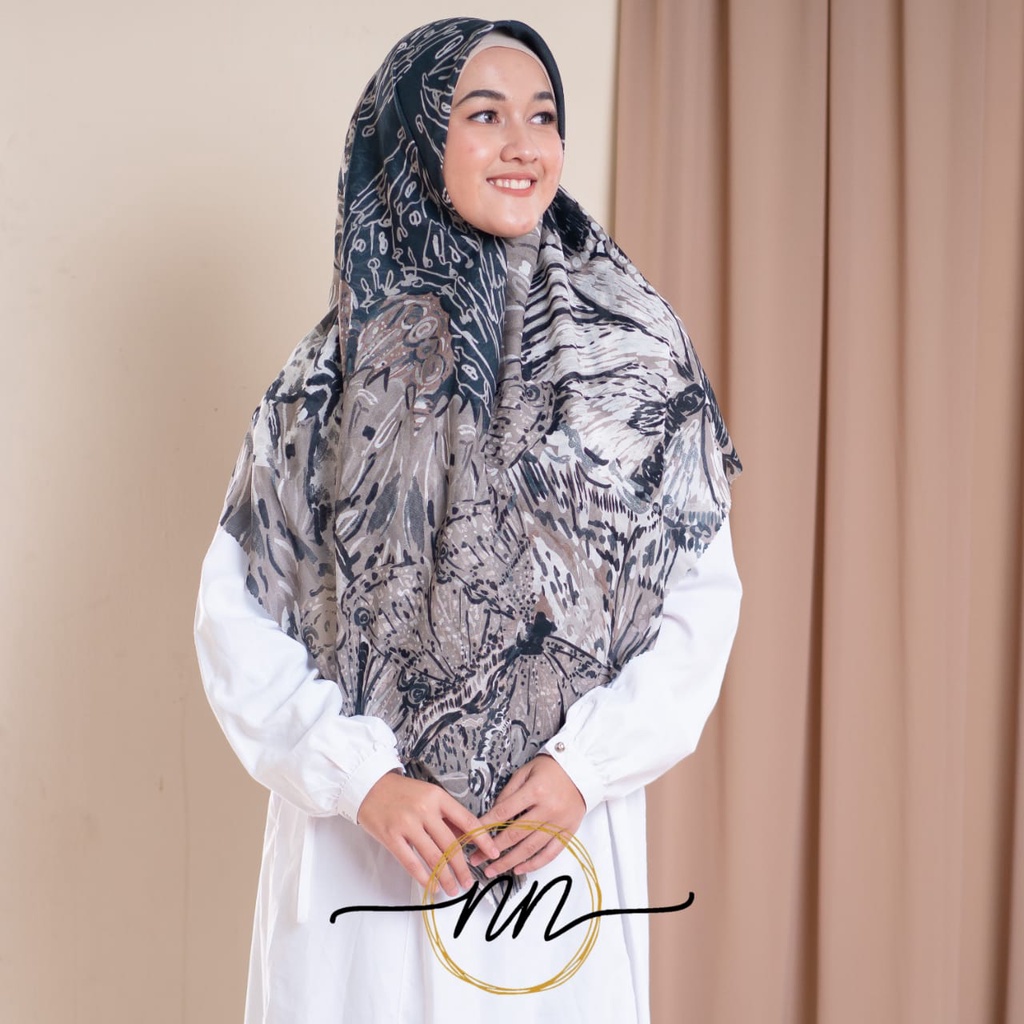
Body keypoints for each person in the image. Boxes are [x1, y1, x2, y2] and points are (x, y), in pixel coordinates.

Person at [195, 17, 742, 1024]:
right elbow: (235, 620)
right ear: (412, 137)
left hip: (551, 852)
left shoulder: (633, 355)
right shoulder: (328, 382)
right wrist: (360, 781)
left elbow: (696, 605)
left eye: (542, 115)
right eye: (482, 115)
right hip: (367, 864)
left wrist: (584, 766)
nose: (523, 144)